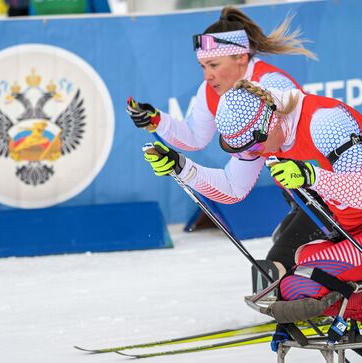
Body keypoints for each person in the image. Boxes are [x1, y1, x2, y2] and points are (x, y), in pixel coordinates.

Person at [142, 79, 362, 363]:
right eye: (246, 150)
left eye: (255, 146)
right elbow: (232, 188)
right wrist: (184, 168)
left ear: (274, 120)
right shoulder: (262, 132)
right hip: (354, 234)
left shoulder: (325, 122)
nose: (255, 154)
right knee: (292, 281)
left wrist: (312, 176)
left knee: (299, 286)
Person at [127, 6, 322, 276]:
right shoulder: (215, 92)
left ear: (241, 57)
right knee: (282, 255)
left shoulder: (273, 86)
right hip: (298, 189)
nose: (207, 75)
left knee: (282, 263)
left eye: (214, 65)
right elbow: (197, 138)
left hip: (325, 187)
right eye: (203, 66)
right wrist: (158, 121)